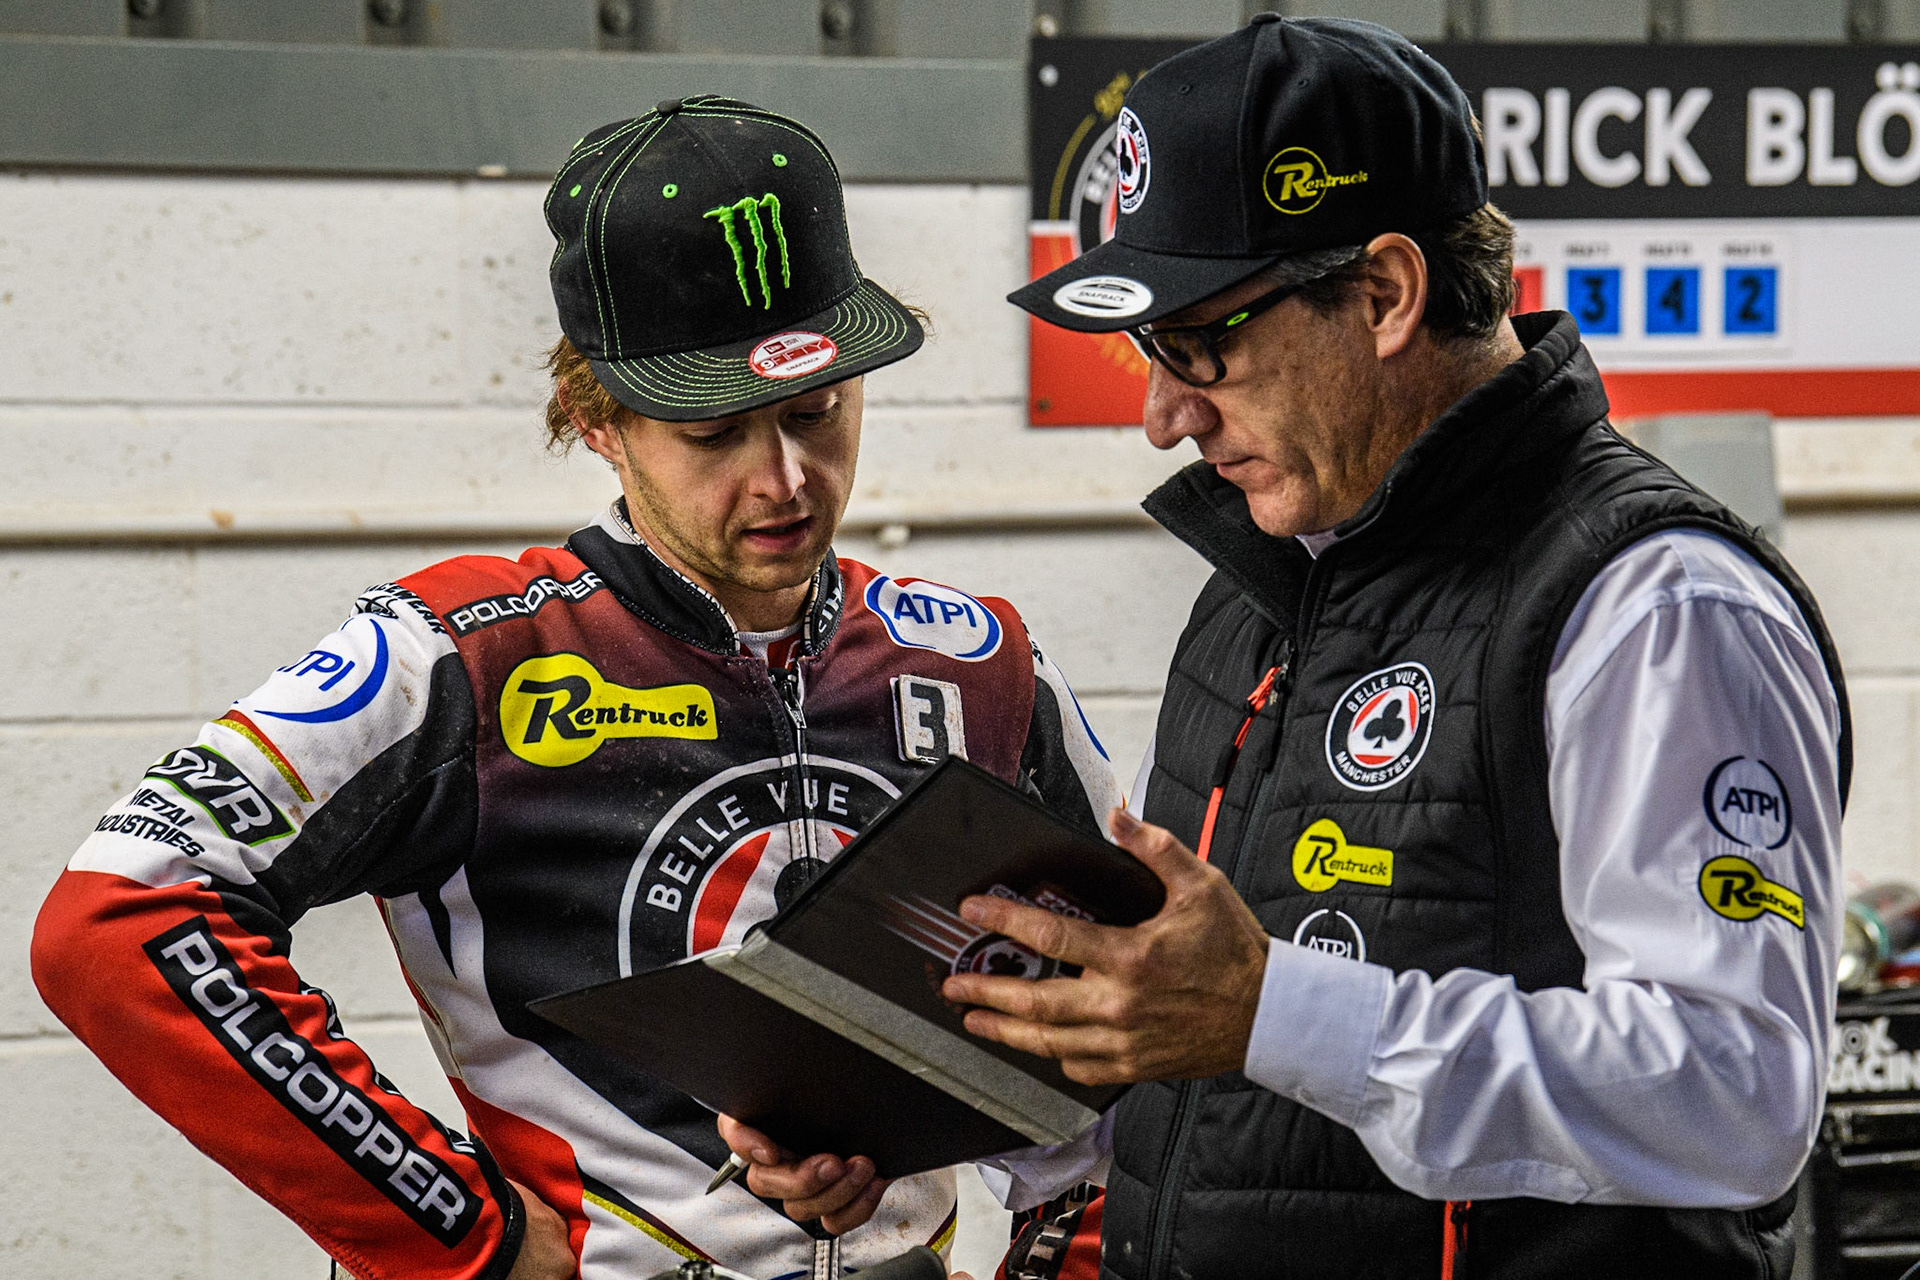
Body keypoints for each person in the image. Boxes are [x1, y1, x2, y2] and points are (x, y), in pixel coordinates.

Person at [755, 17, 1852, 1278]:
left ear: (1384, 294)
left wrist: (1273, 1008)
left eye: (1194, 345)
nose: (1165, 415)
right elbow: (1223, 1077)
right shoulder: (1264, 584)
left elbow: (1739, 1097)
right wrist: (903, 1106)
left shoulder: (1655, 607)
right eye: (1141, 354)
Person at [32, 97, 1119, 1280]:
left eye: (817, 412)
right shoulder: (463, 652)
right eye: (715, 434)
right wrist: (453, 1225)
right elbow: (116, 913)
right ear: (596, 417)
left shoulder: (976, 658)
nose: (787, 480)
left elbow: (1123, 1018)